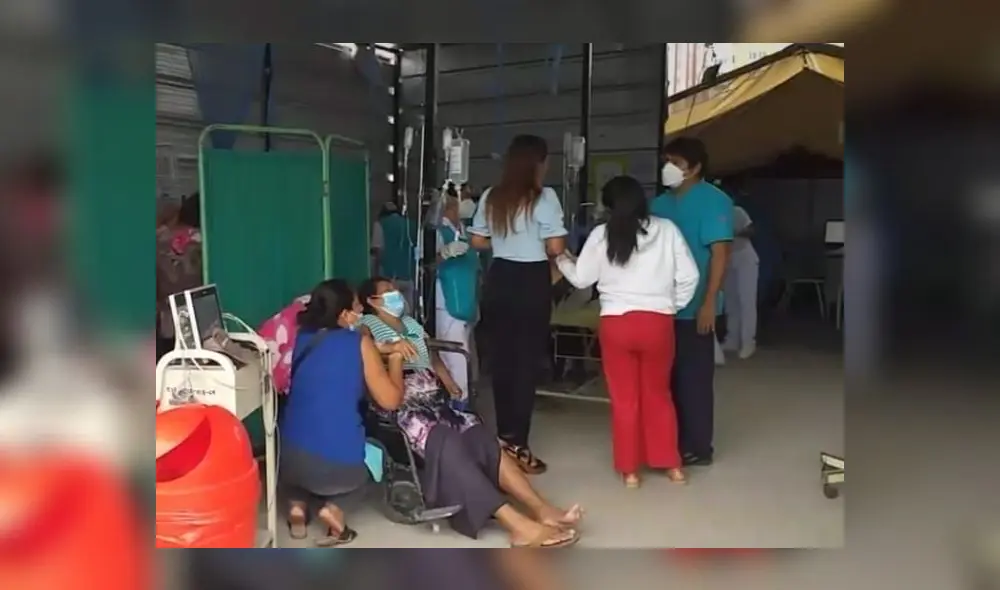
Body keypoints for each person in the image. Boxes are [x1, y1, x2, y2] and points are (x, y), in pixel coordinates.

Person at [357, 277, 582, 548]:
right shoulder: (367, 327)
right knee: (450, 446)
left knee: (480, 437)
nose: (395, 294)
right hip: (405, 409)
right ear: (371, 302)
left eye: (395, 289)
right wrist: (391, 350)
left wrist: (448, 380)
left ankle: (540, 508)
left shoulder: (411, 323)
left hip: (434, 402)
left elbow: (431, 356)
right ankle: (517, 525)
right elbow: (368, 355)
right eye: (387, 292)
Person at [555, 176, 699, 488]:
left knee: (625, 399)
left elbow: (581, 279)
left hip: (617, 324)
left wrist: (562, 259)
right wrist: (670, 306)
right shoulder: (667, 230)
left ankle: (630, 471)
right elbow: (690, 276)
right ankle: (671, 465)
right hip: (657, 324)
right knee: (658, 395)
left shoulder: (601, 234)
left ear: (608, 207)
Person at [279, 279, 406, 546]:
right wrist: (395, 360)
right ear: (345, 314)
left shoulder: (302, 338)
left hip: (289, 460)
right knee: (377, 455)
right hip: (337, 470)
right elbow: (391, 400)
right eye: (358, 307)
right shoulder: (358, 343)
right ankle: (335, 509)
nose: (361, 312)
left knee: (300, 469)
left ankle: (296, 509)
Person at [469, 135, 567, 475]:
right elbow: (555, 246)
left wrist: (505, 234)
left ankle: (503, 439)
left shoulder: (492, 196)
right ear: (538, 163)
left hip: (499, 278)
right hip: (530, 281)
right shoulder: (546, 197)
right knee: (525, 363)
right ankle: (518, 444)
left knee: (502, 360)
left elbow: (477, 240)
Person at [650, 137, 733, 467]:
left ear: (695, 168)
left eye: (676, 162)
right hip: (660, 306)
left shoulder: (715, 202)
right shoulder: (659, 205)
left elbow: (720, 254)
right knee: (665, 380)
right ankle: (669, 440)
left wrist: (709, 302)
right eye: (666, 160)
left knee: (694, 380)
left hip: (696, 306)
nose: (668, 168)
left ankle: (699, 447)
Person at [435, 189, 480, 402]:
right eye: (465, 197)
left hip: (467, 297)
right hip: (449, 298)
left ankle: (464, 398)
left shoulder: (464, 230)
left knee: (465, 353)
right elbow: (426, 262)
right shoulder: (438, 230)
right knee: (453, 354)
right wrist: (444, 253)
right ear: (451, 202)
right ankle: (457, 403)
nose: (470, 202)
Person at [722, 203, 759, 359]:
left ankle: (748, 342)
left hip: (745, 257)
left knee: (746, 301)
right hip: (727, 258)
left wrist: (735, 232)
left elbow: (751, 230)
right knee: (731, 302)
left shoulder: (736, 211)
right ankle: (732, 339)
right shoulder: (710, 214)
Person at [371, 202, 415, 308]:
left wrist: (375, 276)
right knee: (408, 311)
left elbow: (378, 250)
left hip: (389, 276)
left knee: (390, 311)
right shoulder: (412, 225)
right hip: (409, 275)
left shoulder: (380, 224)